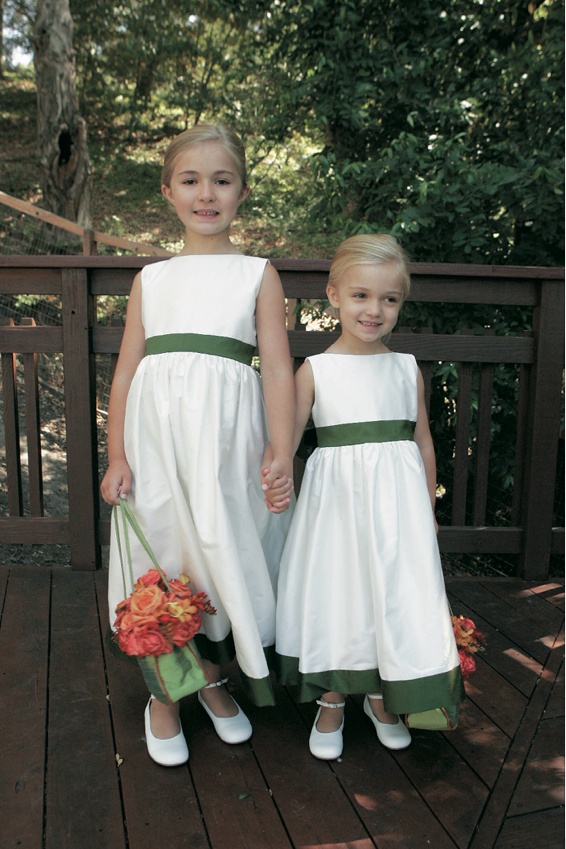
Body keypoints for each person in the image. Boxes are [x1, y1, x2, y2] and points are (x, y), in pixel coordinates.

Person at [101, 123, 295, 767]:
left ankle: (211, 680)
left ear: (242, 191)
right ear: (168, 192)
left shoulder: (257, 275)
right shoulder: (152, 280)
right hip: (156, 446)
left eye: (221, 180)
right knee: (162, 556)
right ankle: (163, 697)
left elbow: (276, 366)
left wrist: (281, 449)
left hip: (226, 450)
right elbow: (127, 371)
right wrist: (118, 454)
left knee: (217, 558)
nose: (206, 193)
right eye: (191, 180)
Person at [273, 234, 464, 760]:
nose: (373, 310)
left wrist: (426, 508)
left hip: (397, 513)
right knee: (342, 594)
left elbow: (422, 443)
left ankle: (382, 695)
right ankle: (333, 697)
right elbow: (287, 443)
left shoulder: (406, 368)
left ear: (401, 303)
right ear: (333, 295)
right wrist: (277, 478)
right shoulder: (316, 370)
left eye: (389, 299)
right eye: (360, 296)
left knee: (392, 596)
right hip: (335, 512)